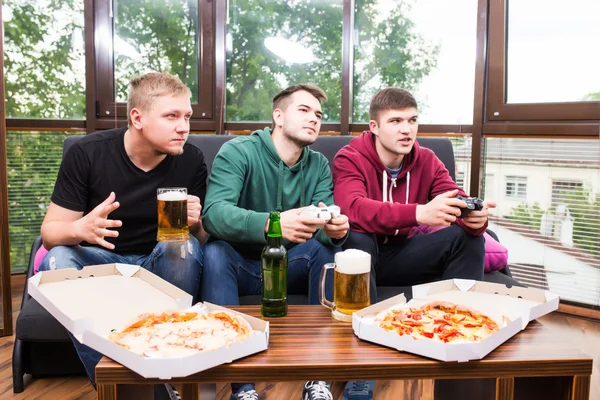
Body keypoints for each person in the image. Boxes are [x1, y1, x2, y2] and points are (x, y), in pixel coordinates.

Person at [38, 72, 206, 399]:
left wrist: (197, 222)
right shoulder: (87, 153)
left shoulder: (192, 159)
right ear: (137, 117)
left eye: (186, 116)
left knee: (184, 245)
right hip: (104, 265)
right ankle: (136, 388)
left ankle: (159, 368)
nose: (184, 127)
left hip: (157, 262)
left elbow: (199, 239)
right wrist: (80, 228)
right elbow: (49, 234)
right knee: (57, 260)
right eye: (171, 116)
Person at [201, 84, 350, 400]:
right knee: (214, 253)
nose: (314, 119)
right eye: (304, 110)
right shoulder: (239, 152)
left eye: (319, 114)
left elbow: (323, 221)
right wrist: (275, 223)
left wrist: (336, 230)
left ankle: (318, 377)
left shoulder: (319, 165)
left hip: (289, 264)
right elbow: (213, 214)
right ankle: (242, 387)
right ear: (278, 116)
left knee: (325, 252)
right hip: (239, 263)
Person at [332, 87, 496, 301]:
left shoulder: (427, 160)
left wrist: (473, 218)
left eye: (412, 120)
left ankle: (460, 320)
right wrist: (419, 213)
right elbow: (352, 208)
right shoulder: (350, 158)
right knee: (357, 236)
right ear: (375, 127)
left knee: (468, 239)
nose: (406, 129)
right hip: (361, 258)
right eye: (395, 121)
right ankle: (361, 322)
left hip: (404, 256)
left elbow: (455, 198)